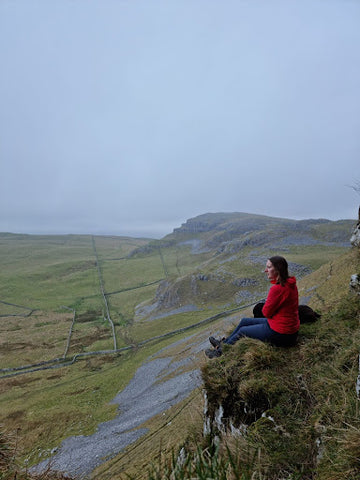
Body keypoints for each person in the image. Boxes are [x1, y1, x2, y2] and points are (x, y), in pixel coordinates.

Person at [205, 256, 300, 358]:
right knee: (244, 321)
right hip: (289, 330)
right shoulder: (290, 283)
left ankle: (219, 353)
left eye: (268, 267)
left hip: (281, 334)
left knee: (243, 331)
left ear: (278, 269)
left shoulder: (277, 289)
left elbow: (266, 313)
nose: (265, 270)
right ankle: (223, 344)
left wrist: (268, 302)